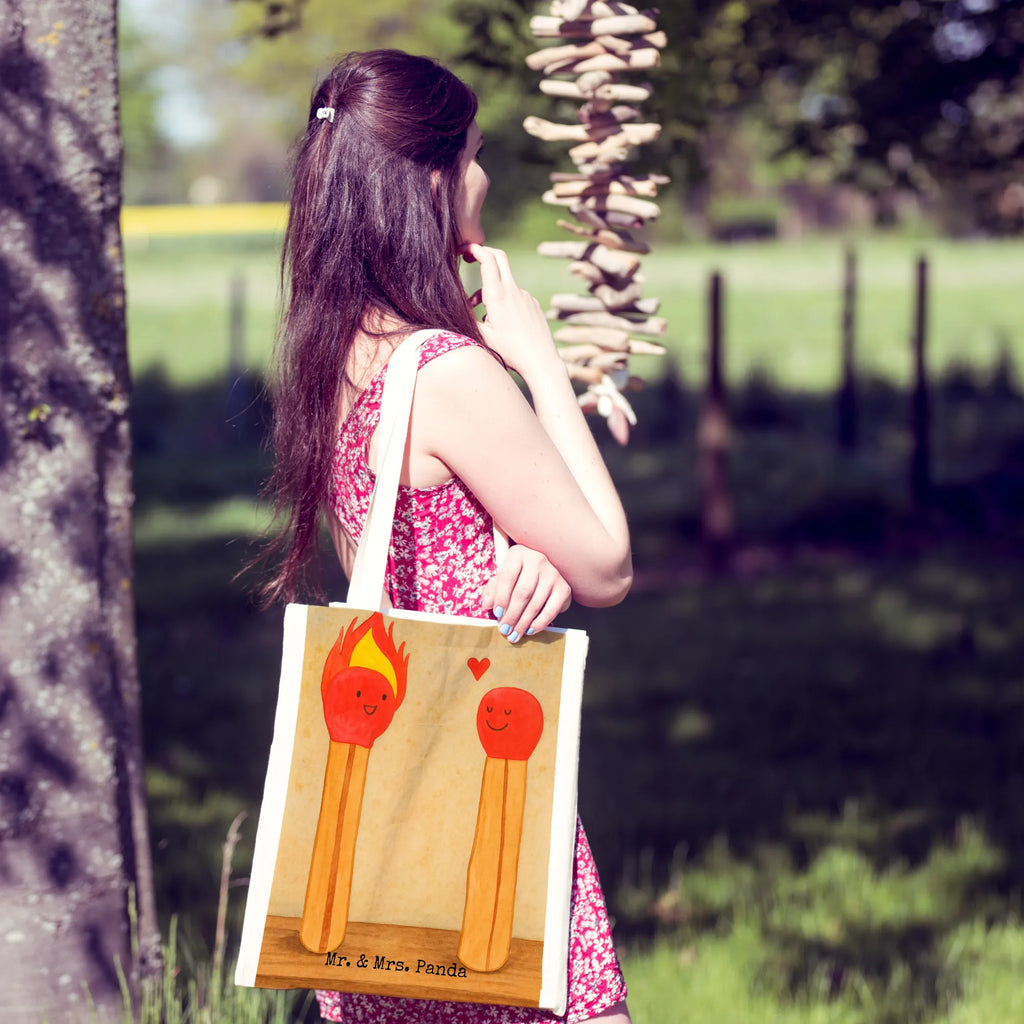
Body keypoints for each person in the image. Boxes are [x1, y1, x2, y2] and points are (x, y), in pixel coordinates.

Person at [261, 49, 634, 1024]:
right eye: (471, 154)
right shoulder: (449, 373)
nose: (484, 177)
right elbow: (608, 562)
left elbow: (399, 552)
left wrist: (516, 554)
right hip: (476, 799)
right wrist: (541, 364)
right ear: (429, 179)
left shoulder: (336, 352)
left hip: (385, 818)